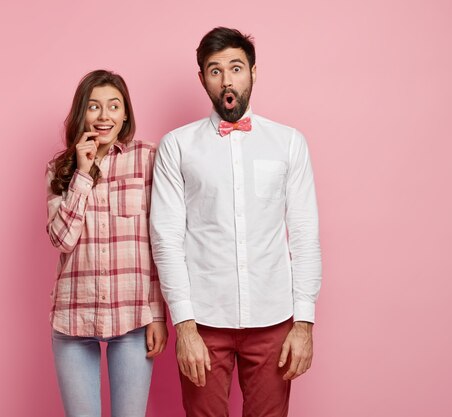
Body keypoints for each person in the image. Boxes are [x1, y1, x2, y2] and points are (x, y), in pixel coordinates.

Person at [150, 28, 322, 416]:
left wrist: (304, 323)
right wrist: (185, 327)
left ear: (253, 72)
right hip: (204, 320)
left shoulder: (289, 143)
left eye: (236, 68)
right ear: (202, 79)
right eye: (215, 70)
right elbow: (167, 238)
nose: (227, 80)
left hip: (274, 318)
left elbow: (305, 235)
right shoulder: (176, 146)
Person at [46, 69, 167, 417]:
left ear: (125, 113)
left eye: (114, 106)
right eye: (95, 107)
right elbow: (61, 240)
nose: (104, 116)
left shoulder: (147, 158)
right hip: (73, 317)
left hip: (132, 317)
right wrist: (83, 174)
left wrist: (157, 315)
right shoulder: (60, 169)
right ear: (82, 112)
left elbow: (158, 242)